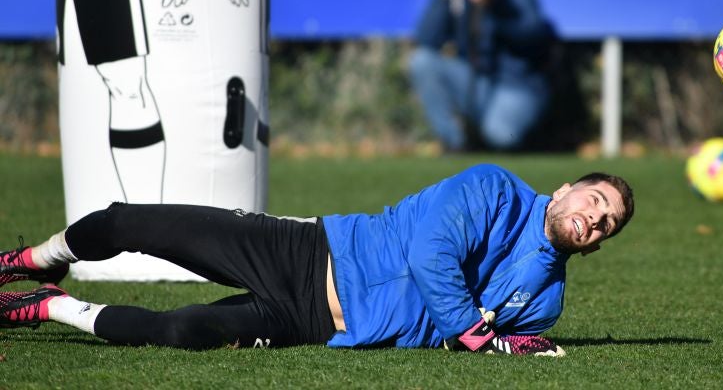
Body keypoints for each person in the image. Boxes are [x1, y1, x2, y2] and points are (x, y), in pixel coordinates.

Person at [0, 164, 634, 355]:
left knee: (182, 330)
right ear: (564, 191)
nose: (596, 216)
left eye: (608, 222)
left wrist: (503, 345)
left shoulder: (544, 304)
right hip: (304, 252)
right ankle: (34, 259)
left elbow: (476, 346)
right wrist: (473, 329)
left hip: (314, 323)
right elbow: (429, 254)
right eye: (596, 198)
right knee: (128, 222)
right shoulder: (491, 188)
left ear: (598, 243)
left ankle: (49, 306)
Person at [410, 0, 557, 152]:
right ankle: (455, 144)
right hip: (477, 82)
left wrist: (493, 5)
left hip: (516, 83)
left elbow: (533, 33)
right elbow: (426, 39)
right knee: (422, 61)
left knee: (500, 135)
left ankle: (505, 133)